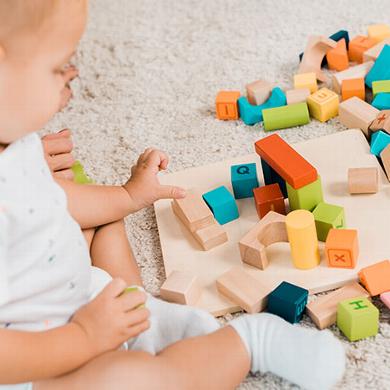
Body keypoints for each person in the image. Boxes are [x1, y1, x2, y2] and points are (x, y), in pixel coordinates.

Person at [0, 1, 346, 389]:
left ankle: (229, 340)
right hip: (29, 358)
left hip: (73, 297)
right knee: (130, 378)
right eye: (57, 67)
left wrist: (127, 196)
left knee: (137, 305)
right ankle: (246, 342)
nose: (74, 74)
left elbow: (59, 202)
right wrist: (83, 338)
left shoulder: (13, 139)